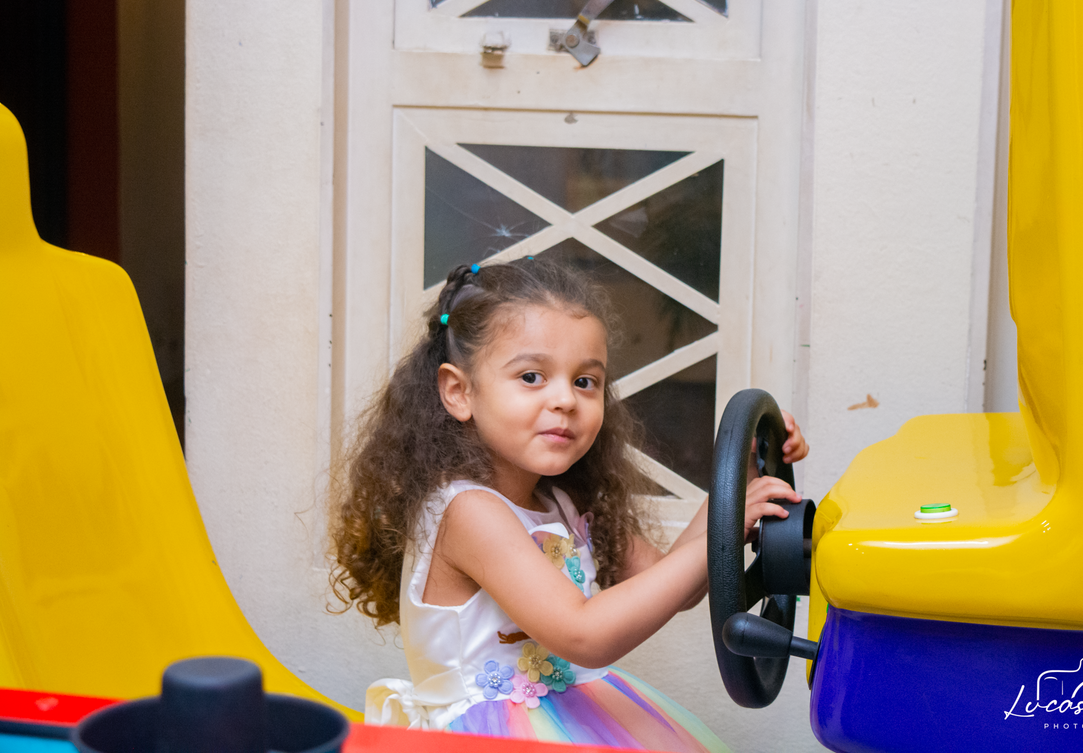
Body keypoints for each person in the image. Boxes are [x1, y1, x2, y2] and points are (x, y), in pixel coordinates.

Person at [328, 258, 808, 750]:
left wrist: (740, 479)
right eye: (532, 376)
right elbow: (584, 635)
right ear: (459, 392)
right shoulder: (467, 511)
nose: (566, 400)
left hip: (576, 719)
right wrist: (724, 529)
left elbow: (672, 583)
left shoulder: (562, 503)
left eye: (585, 381)